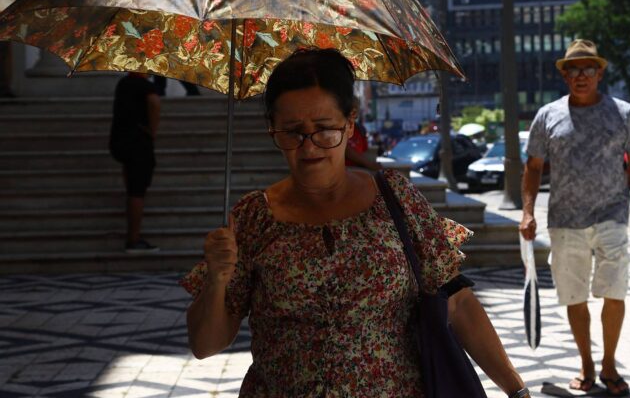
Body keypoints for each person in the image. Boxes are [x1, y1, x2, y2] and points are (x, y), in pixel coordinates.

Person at [181, 48, 529, 398]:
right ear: (272, 127)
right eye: (292, 132)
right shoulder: (253, 218)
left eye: (324, 129)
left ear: (350, 123)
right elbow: (205, 345)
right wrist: (217, 280)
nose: (309, 147)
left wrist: (517, 391)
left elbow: (459, 302)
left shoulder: (394, 197)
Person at [521, 39, 630, 397]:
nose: (581, 75)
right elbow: (533, 168)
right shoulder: (548, 115)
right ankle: (586, 363)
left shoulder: (623, 112)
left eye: (588, 69)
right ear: (565, 76)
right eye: (573, 70)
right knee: (574, 295)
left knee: (614, 290)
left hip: (612, 215)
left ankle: (609, 364)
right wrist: (528, 212)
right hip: (565, 220)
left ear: (599, 73)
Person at [109, 72, 161, 253]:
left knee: (133, 188)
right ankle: (133, 239)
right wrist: (152, 130)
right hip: (138, 145)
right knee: (137, 191)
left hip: (122, 143)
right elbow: (154, 102)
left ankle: (133, 237)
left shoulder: (123, 84)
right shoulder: (144, 86)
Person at [344, 96, 382, 171]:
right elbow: (346, 149)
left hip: (358, 171)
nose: (354, 112)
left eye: (356, 109)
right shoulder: (337, 127)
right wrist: (369, 164)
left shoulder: (360, 129)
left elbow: (363, 151)